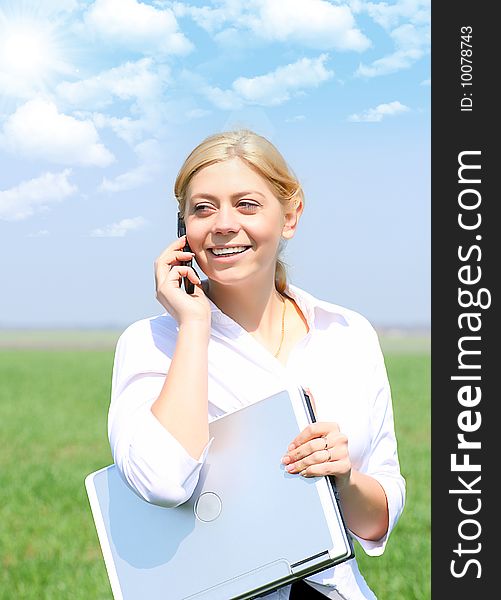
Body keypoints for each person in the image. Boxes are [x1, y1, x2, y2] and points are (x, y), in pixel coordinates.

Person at [108, 129, 406, 599]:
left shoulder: (348, 335)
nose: (223, 224)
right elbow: (161, 481)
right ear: (182, 226)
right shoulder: (151, 343)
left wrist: (343, 479)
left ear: (290, 216)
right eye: (203, 208)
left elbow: (377, 520)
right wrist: (193, 326)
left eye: (246, 204)